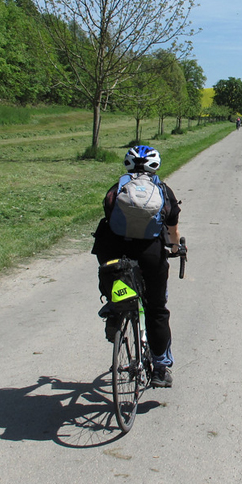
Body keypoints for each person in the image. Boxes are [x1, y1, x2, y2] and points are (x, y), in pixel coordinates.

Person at [91, 145, 181, 388]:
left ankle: (114, 308)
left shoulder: (118, 188)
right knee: (157, 310)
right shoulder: (163, 191)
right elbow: (172, 230)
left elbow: (108, 219)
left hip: (116, 252)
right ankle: (160, 368)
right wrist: (174, 247)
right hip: (150, 253)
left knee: (115, 278)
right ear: (156, 166)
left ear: (128, 164)